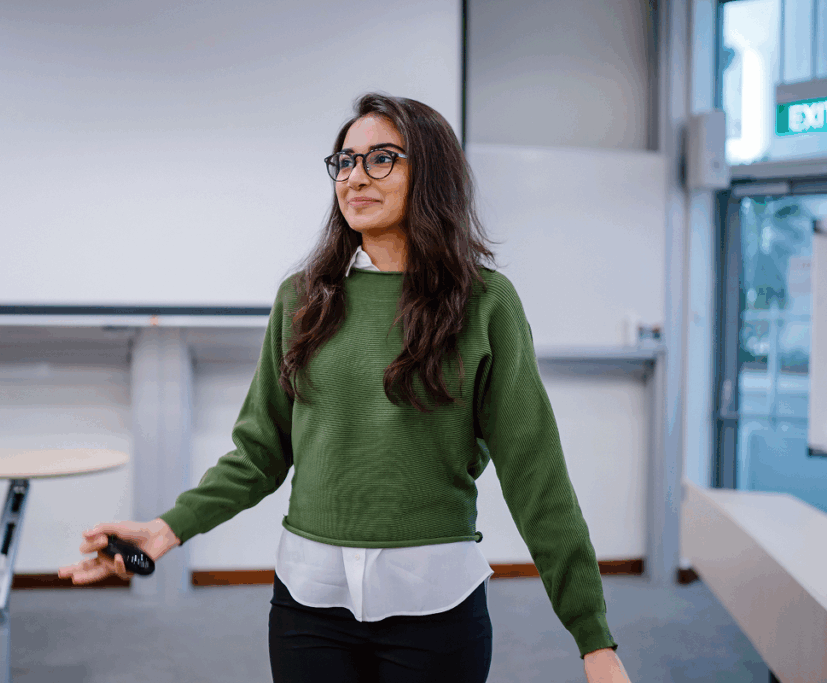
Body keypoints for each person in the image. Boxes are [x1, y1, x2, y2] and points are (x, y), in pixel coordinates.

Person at [59, 93, 633, 683]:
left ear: (431, 174)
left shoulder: (486, 303)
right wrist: (167, 527)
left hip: (435, 606)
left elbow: (536, 474)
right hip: (309, 604)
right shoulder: (302, 298)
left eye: (381, 159)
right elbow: (260, 451)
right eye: (345, 161)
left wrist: (593, 639)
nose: (355, 177)